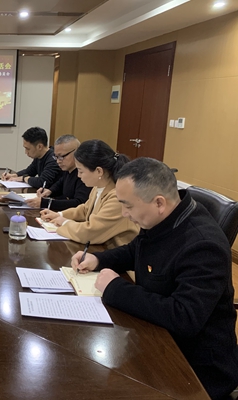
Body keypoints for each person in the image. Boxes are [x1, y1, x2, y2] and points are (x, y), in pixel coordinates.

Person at [71, 157, 238, 400]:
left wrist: (115, 288)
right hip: (155, 337)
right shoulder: (164, 218)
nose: (124, 214)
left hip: (193, 368)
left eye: (128, 206)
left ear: (159, 202)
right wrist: (98, 259)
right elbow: (136, 250)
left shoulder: (203, 245)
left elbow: (184, 316)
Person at [40, 139, 138, 248]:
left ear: (99, 171)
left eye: (81, 171)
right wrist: (59, 215)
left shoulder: (118, 197)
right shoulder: (98, 187)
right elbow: (85, 210)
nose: (78, 175)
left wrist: (64, 222)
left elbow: (89, 233)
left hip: (114, 252)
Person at [26, 135, 90, 211]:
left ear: (76, 152)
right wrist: (50, 191)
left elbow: (79, 203)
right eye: (56, 157)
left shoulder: (85, 174)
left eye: (61, 156)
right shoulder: (68, 169)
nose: (58, 161)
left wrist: (45, 203)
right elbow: (61, 182)